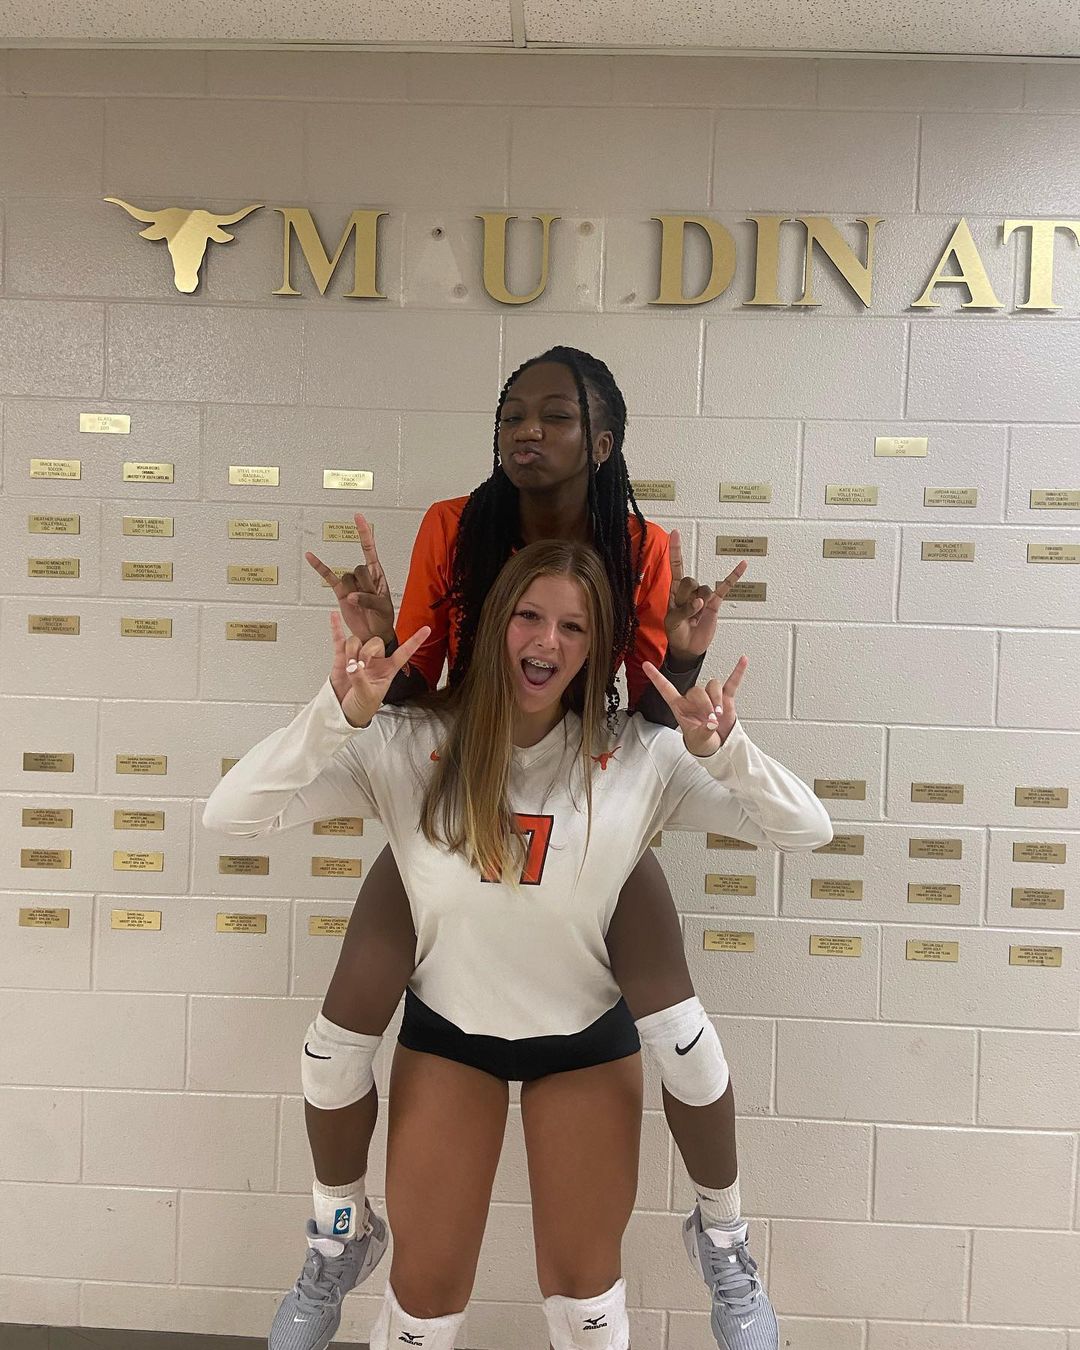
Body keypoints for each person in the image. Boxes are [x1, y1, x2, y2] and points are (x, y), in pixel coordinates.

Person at [203, 540, 833, 1350]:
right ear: (497, 620)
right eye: (530, 616)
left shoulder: (638, 755)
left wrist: (725, 751)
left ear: (596, 646)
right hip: (450, 1042)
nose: (547, 641)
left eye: (573, 626)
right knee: (420, 1310)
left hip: (583, 1046)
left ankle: (722, 1240)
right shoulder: (406, 742)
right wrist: (338, 712)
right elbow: (232, 814)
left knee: (587, 1311)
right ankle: (339, 1237)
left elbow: (807, 829)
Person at [289, 344, 785, 1350]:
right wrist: (380, 647)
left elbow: (651, 714)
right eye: (514, 412)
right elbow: (419, 684)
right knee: (333, 1045)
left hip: (585, 800)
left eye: (555, 416)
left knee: (685, 1038)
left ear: (602, 443)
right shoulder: (453, 525)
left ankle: (725, 1241)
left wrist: (689, 661)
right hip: (461, 792)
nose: (527, 430)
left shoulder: (641, 544)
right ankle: (337, 1235)